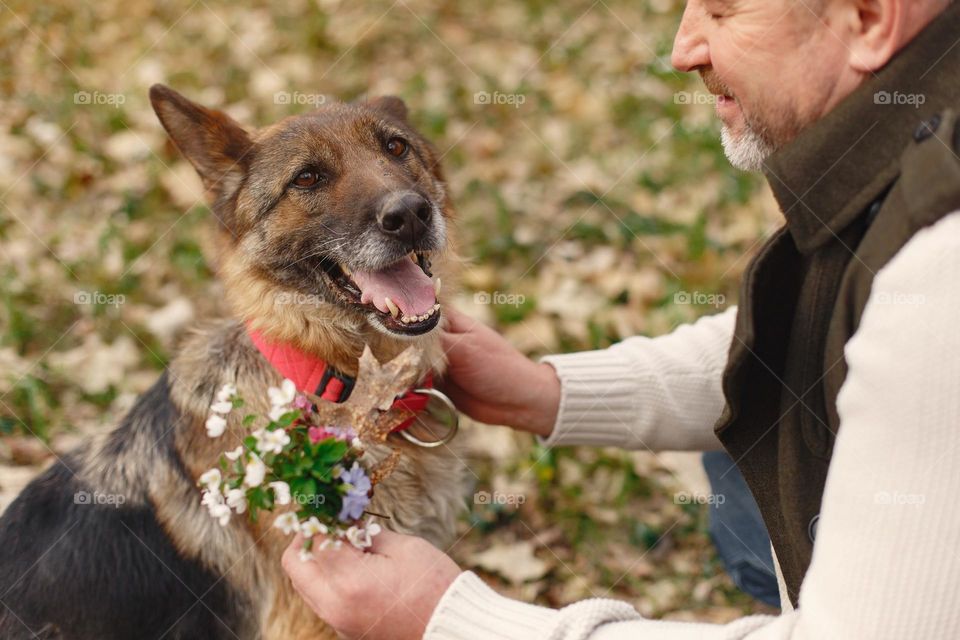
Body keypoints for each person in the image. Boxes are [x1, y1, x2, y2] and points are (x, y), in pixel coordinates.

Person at [282, 0, 960, 637]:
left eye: (724, 10)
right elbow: (816, 344)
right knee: (740, 469)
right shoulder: (902, 151)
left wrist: (454, 618)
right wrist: (549, 391)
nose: (682, 49)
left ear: (868, 18)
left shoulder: (940, 277)